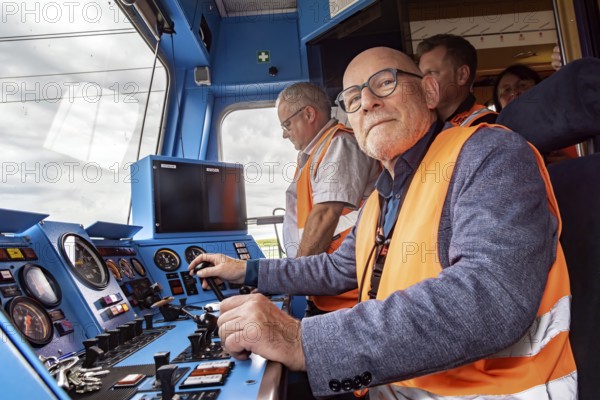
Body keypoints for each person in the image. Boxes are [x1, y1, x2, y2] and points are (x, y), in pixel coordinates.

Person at [190, 47, 577, 398]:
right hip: (394, 385)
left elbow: (490, 296)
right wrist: (248, 271)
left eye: (384, 83)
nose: (368, 103)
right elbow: (335, 268)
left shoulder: (489, 153)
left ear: (428, 92)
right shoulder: (381, 197)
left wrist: (300, 339)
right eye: (354, 99)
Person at [276, 82, 380, 315]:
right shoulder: (315, 153)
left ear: (309, 114)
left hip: (350, 295)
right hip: (329, 288)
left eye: (287, 124)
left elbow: (325, 216)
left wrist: (291, 278)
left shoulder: (340, 145)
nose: (284, 134)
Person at [494, 64, 578, 162]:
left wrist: (571, 164)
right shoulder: (498, 142)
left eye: (522, 85)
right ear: (499, 104)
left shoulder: (567, 121)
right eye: (506, 90)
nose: (515, 92)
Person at [416, 33, 497, 126]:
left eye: (432, 72)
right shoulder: (424, 125)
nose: (423, 82)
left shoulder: (487, 125)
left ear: (462, 75)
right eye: (421, 75)